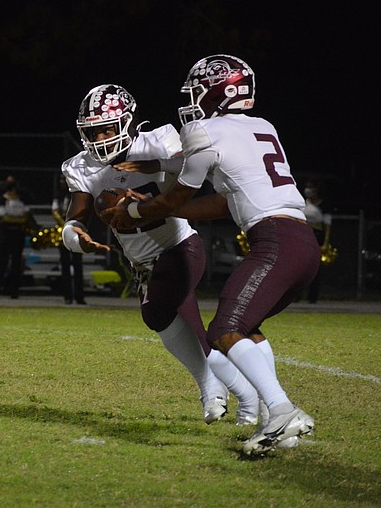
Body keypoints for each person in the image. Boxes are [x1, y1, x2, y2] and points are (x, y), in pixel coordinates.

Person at [103, 55, 319, 454]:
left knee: (224, 329)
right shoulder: (262, 127)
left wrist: (133, 209)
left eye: (196, 91)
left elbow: (175, 198)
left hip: (274, 241)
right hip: (302, 242)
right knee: (247, 327)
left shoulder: (203, 129)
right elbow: (221, 204)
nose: (191, 101)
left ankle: (282, 409)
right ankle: (276, 418)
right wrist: (159, 181)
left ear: (216, 91)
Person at [61, 84, 258, 426]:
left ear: (128, 122)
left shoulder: (160, 139)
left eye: (107, 127)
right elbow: (75, 217)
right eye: (93, 130)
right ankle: (214, 387)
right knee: (157, 318)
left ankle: (244, 396)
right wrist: (75, 238)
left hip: (181, 245)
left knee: (180, 312)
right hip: (142, 263)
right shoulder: (80, 166)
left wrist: (156, 164)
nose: (101, 137)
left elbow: (197, 164)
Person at [0, 175, 34, 300]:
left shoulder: (22, 199)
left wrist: (16, 218)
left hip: (18, 233)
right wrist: (18, 219)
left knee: (16, 263)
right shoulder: (2, 199)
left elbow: (26, 215)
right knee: (2, 262)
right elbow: (3, 216)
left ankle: (14, 291)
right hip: (6, 233)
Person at [52, 174, 85, 305]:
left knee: (78, 265)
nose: (62, 182)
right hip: (63, 232)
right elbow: (54, 211)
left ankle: (79, 296)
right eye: (60, 180)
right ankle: (67, 296)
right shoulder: (58, 197)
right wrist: (64, 223)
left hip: (76, 231)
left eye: (64, 180)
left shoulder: (77, 195)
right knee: (65, 264)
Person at [302, 179, 331, 303]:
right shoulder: (303, 203)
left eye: (310, 187)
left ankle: (312, 297)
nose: (307, 190)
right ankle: (295, 296)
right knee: (299, 267)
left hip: (317, 236)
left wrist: (326, 242)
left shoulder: (324, 205)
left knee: (315, 268)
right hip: (303, 235)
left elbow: (327, 225)